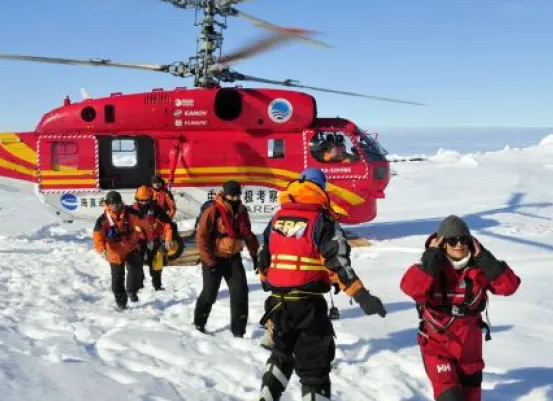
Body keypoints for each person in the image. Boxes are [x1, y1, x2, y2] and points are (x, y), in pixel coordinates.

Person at [255, 167, 387, 401]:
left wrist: (267, 280)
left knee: (281, 354)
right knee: (315, 367)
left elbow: (263, 254)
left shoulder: (277, 218)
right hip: (308, 306)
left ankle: (267, 394)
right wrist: (361, 295)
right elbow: (338, 263)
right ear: (321, 190)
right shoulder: (323, 221)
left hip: (277, 303)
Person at [400, 215, 521, 401]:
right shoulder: (433, 268)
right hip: (437, 346)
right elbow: (410, 288)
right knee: (450, 397)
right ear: (442, 243)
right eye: (452, 240)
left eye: (464, 239)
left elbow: (509, 287)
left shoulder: (478, 269)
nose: (459, 245)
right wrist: (430, 260)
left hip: (470, 349)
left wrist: (486, 259)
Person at [193, 180, 260, 337]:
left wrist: (255, 254)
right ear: (225, 194)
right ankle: (199, 323)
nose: (235, 199)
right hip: (214, 259)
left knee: (240, 292)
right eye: (232, 195)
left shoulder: (242, 211)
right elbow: (201, 238)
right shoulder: (213, 210)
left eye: (238, 195)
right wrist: (209, 261)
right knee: (209, 294)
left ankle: (238, 331)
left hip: (233, 258)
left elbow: (248, 235)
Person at [92, 191, 171, 310]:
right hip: (114, 252)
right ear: (107, 204)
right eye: (112, 204)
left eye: (118, 203)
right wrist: (102, 250)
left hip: (131, 247)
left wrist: (150, 240)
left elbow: (145, 226)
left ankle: (131, 292)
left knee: (135, 269)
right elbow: (97, 237)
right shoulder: (103, 220)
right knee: (117, 279)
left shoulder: (132, 213)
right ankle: (121, 302)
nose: (116, 206)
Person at [130, 185, 177, 291]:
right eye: (141, 201)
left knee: (156, 263)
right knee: (137, 263)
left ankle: (157, 285)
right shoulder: (132, 210)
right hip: (138, 240)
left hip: (154, 239)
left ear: (151, 198)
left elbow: (167, 225)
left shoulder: (157, 209)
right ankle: (139, 285)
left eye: (146, 201)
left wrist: (168, 238)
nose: (143, 203)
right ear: (137, 199)